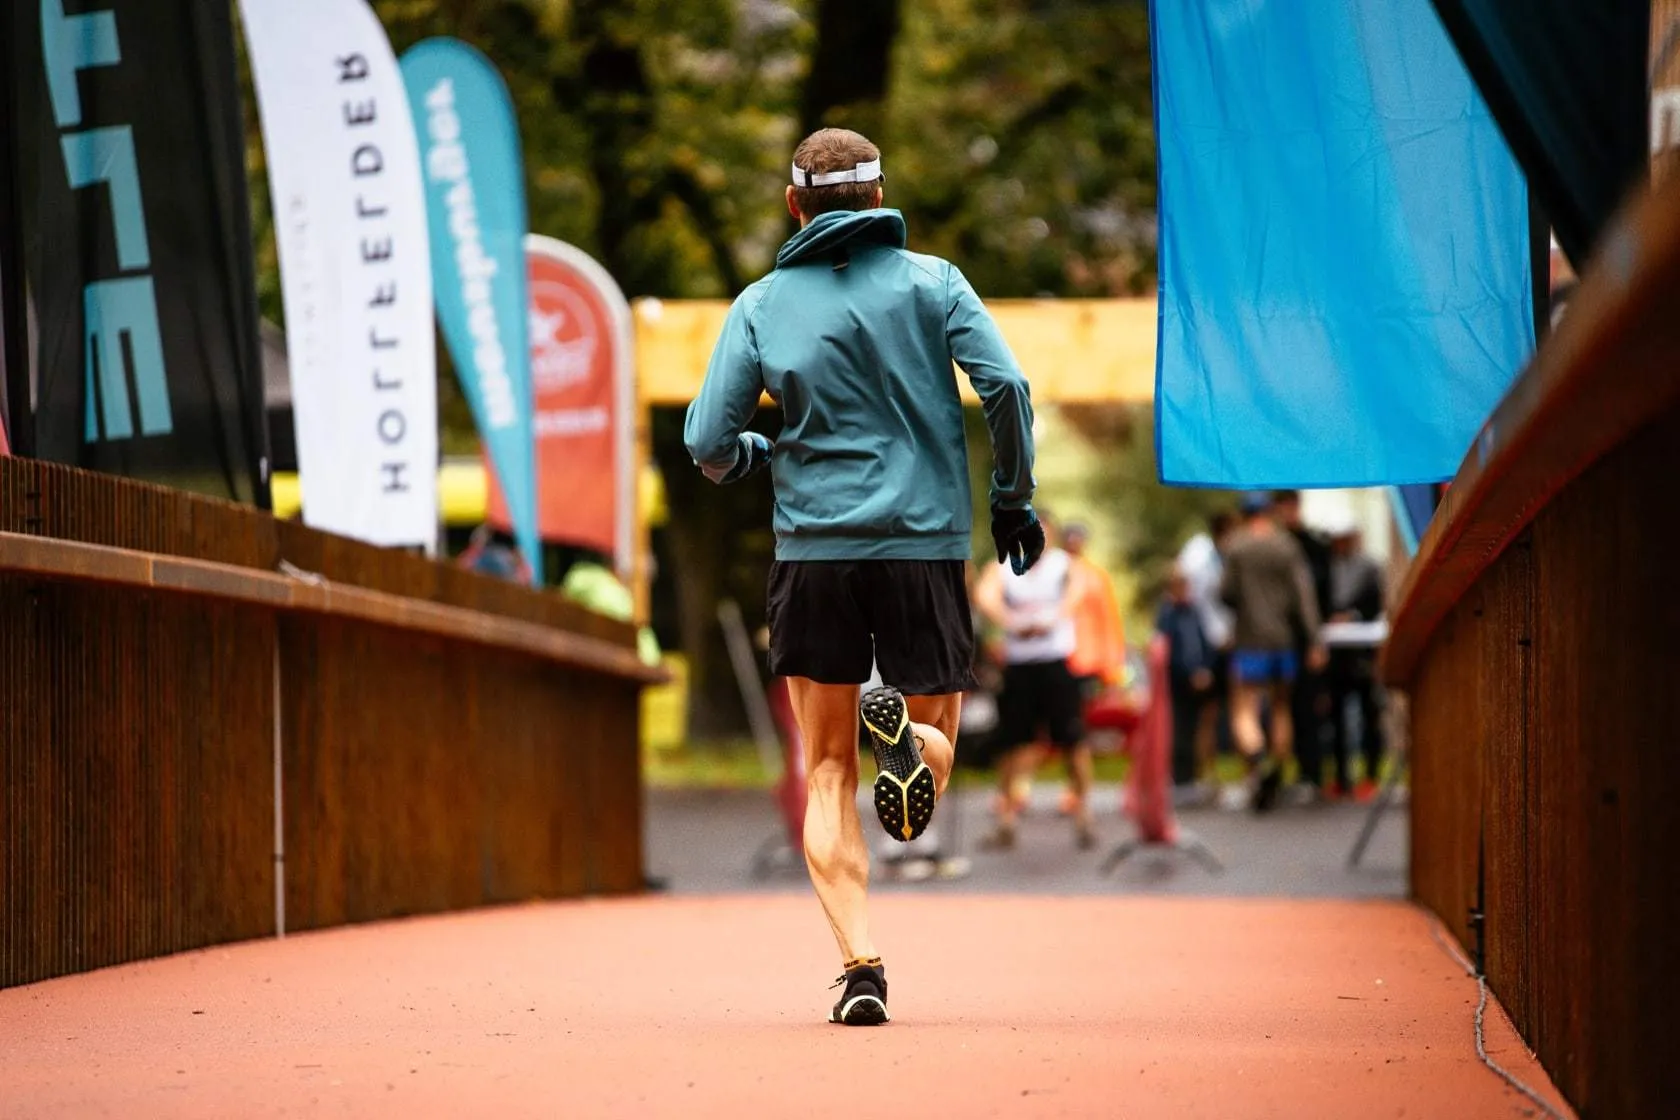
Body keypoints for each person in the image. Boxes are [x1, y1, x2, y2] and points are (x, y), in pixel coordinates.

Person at [683, 127, 1042, 1026]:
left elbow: (704, 443)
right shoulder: (936, 284)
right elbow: (1007, 389)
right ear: (881, 200)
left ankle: (861, 969)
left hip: (815, 555)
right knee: (938, 744)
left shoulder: (763, 304)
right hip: (922, 548)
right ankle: (911, 748)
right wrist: (1011, 500)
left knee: (829, 771)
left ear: (794, 206)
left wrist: (757, 451)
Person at [973, 523, 1092, 849]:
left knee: (1073, 742)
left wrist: (1052, 620)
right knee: (1013, 745)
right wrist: (1011, 622)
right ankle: (1006, 819)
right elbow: (985, 595)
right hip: (1020, 667)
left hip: (1055, 664)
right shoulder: (1005, 567)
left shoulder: (1064, 565)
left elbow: (1078, 591)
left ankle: (1084, 814)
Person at [1220, 492, 1324, 812]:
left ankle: (1257, 760)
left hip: (1250, 638)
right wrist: (1315, 639)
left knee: (1244, 707)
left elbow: (1226, 593)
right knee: (1281, 707)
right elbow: (1304, 596)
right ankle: (1276, 768)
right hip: (1284, 640)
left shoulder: (1236, 547)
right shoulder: (1286, 546)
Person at [1271, 490, 1332, 798]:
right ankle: (1290, 771)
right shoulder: (1274, 546)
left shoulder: (1313, 546)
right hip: (1281, 638)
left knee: (1309, 708)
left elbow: (1314, 598)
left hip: (1305, 638)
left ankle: (1313, 773)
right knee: (1285, 708)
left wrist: (1315, 641)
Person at [1324, 518, 1386, 801]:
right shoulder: (1328, 568)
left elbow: (1374, 603)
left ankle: (1370, 776)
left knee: (1369, 714)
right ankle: (1341, 778)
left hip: (1363, 650)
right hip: (1337, 653)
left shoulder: (1369, 567)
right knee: (1335, 716)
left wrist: (1352, 615)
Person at [1176, 510, 1237, 796]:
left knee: (1227, 711)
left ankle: (1212, 774)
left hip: (1231, 642)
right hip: (1209, 645)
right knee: (1207, 715)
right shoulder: (1200, 559)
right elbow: (1196, 607)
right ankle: (1202, 774)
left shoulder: (1229, 559)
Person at [1155, 564, 1216, 799]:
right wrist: (1188, 672)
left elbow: (1204, 642)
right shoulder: (1167, 614)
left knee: (1199, 730)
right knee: (1179, 729)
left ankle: (1197, 775)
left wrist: (1205, 669)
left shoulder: (1195, 611)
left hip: (1200, 680)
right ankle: (1181, 778)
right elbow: (1166, 651)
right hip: (1178, 682)